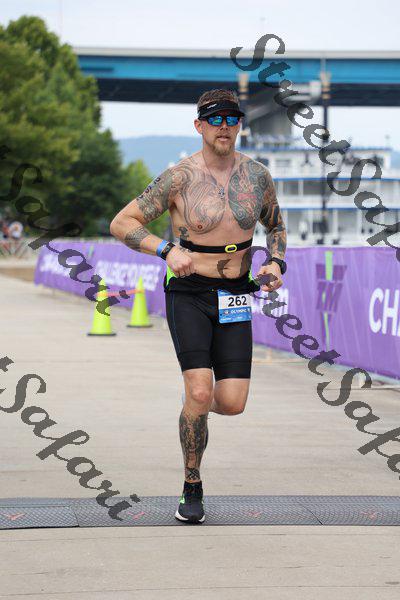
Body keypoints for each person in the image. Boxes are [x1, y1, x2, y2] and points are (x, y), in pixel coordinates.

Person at [110, 89, 287, 524]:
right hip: (188, 292)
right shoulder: (179, 178)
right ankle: (192, 483)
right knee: (201, 390)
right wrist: (166, 249)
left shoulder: (258, 176)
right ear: (199, 126)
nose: (224, 126)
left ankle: (194, 403)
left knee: (232, 402)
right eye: (215, 119)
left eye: (232, 118)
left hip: (235, 294)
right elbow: (122, 222)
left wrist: (276, 262)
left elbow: (276, 226)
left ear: (239, 124)